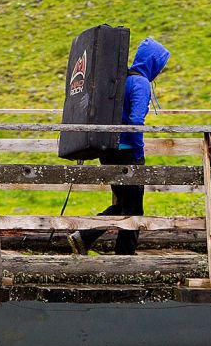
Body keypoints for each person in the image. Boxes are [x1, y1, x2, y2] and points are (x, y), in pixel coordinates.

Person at [69, 37, 171, 256]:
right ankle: (125, 255)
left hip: (108, 150)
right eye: (160, 66)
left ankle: (84, 237)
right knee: (134, 209)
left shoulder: (121, 79)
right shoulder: (141, 83)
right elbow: (135, 122)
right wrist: (138, 151)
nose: (160, 71)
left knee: (124, 204)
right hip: (127, 153)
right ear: (153, 63)